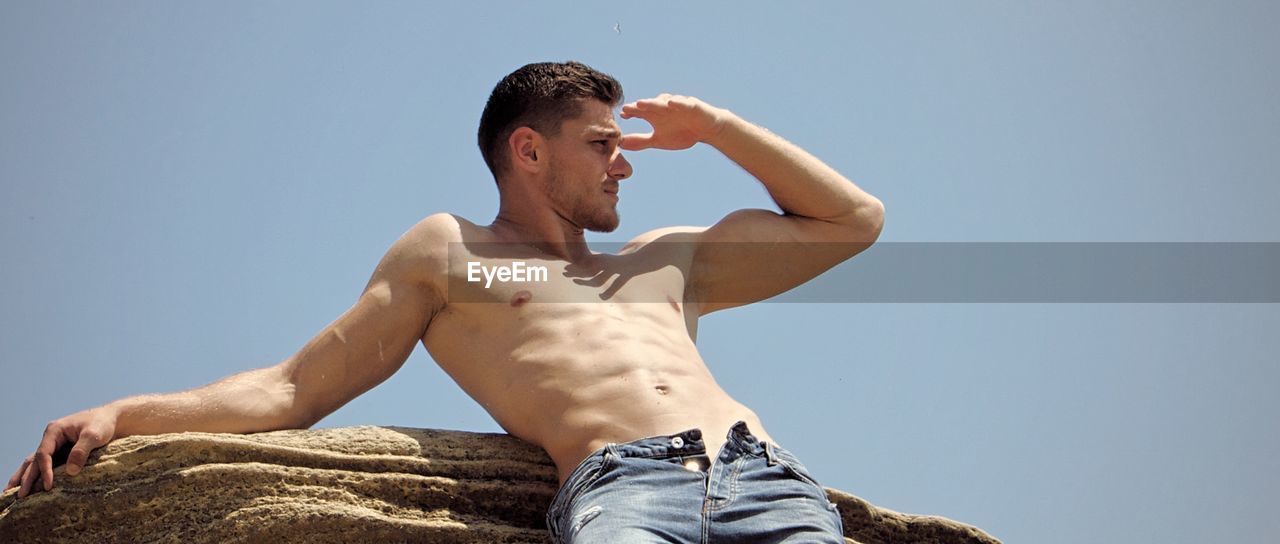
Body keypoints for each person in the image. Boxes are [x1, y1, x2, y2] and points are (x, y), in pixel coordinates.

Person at [7, 61, 883, 542]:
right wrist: (125, 413)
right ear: (529, 152)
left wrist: (718, 127)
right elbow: (292, 391)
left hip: (765, 482)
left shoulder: (665, 262)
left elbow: (852, 221)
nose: (628, 162)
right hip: (626, 495)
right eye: (605, 143)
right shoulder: (457, 256)